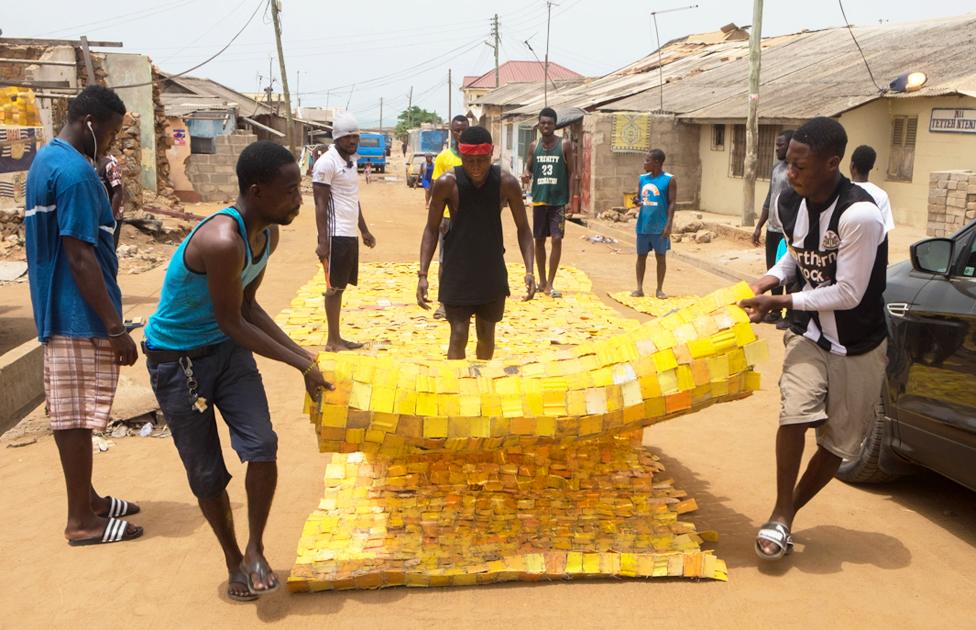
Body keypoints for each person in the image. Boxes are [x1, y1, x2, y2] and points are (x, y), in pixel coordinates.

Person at [143, 141, 332, 601]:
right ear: (257, 190)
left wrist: (305, 355)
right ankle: (234, 561)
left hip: (228, 353)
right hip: (178, 361)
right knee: (207, 474)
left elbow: (248, 306)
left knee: (262, 445)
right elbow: (232, 319)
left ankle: (255, 548)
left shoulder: (267, 233)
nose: (299, 200)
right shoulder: (223, 240)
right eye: (290, 191)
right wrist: (298, 362)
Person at [739, 117, 888, 561]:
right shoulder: (789, 201)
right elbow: (795, 258)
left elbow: (848, 292)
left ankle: (789, 513)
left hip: (859, 344)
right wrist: (769, 279)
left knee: (836, 445)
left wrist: (782, 302)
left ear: (832, 163)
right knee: (794, 413)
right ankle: (780, 514)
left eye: (800, 166)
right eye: (788, 164)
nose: (791, 173)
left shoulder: (859, 215)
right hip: (810, 335)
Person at [24, 85, 143, 546]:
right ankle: (81, 521)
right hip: (75, 313)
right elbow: (80, 256)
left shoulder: (49, 161)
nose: (112, 144)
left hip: (63, 308)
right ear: (91, 124)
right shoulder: (74, 172)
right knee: (74, 417)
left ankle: (88, 498)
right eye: (111, 134)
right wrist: (115, 328)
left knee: (76, 412)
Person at [417, 126, 536, 359]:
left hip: (490, 270)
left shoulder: (506, 183)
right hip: (457, 270)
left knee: (486, 335)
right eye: (470, 161)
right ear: (461, 157)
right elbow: (431, 230)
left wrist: (530, 270)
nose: (476, 168)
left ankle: (482, 390)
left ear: (491, 155)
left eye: (482, 161)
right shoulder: (446, 183)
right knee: (458, 334)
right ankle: (455, 390)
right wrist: (422, 274)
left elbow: (524, 229)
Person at [312, 112, 377, 352]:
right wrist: (322, 241)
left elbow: (353, 199)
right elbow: (319, 204)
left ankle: (338, 338)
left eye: (356, 137)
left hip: (349, 232)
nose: (353, 141)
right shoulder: (326, 163)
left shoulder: (351, 162)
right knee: (333, 287)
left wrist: (364, 230)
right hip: (334, 233)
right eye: (348, 137)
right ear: (337, 138)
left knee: (342, 286)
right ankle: (332, 340)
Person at [522, 107, 573, 298]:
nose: (546, 126)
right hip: (539, 200)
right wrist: (526, 175)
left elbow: (571, 173)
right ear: (539, 124)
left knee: (557, 239)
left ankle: (550, 283)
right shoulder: (534, 146)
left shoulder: (565, 145)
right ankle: (541, 281)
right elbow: (528, 168)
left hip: (558, 201)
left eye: (549, 123)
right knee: (539, 240)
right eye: (543, 123)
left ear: (555, 125)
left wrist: (569, 199)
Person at [752, 129, 794, 329]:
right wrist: (759, 225)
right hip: (773, 228)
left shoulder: (795, 171)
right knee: (773, 270)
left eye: (781, 145)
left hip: (789, 231)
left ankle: (791, 314)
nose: (777, 148)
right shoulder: (776, 169)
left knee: (791, 272)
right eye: (776, 145)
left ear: (790, 145)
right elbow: (770, 198)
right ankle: (776, 311)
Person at [430, 115, 470, 319]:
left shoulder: (475, 157)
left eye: (464, 130)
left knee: (471, 261)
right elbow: (437, 189)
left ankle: (469, 302)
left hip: (471, 218)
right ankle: (444, 304)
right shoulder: (444, 158)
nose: (460, 134)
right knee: (445, 262)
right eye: (457, 130)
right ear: (452, 132)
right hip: (447, 219)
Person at [632, 149, 675, 299]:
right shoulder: (642, 179)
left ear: (656, 162)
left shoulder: (669, 179)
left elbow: (672, 203)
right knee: (641, 256)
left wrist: (669, 224)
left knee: (661, 257)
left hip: (660, 227)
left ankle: (659, 289)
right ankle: (639, 288)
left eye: (647, 160)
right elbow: (638, 197)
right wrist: (636, 201)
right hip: (644, 225)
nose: (644, 163)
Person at [850, 144, 895, 233]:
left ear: (852, 165)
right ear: (871, 167)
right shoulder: (881, 195)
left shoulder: (841, 190)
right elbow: (884, 231)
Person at [97, 152, 124, 249]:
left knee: (109, 249)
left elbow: (118, 192)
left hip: (112, 214)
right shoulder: (92, 163)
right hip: (99, 215)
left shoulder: (110, 164)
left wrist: (111, 219)